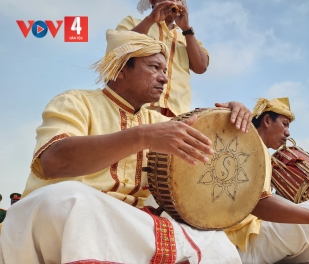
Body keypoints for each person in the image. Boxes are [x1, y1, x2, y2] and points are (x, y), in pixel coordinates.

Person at [0, 29, 250, 264]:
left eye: (165, 69)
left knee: (215, 240)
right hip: (56, 218)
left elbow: (208, 146)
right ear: (120, 69)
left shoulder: (159, 122)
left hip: (129, 222)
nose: (164, 77)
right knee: (71, 200)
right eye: (154, 67)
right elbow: (53, 161)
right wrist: (142, 137)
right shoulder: (75, 101)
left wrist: (228, 119)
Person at [225, 97, 309, 263]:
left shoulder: (247, 143)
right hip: (241, 244)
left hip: (239, 238)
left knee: (300, 210)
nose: (288, 132)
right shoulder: (253, 146)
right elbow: (258, 204)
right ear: (267, 120)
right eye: (285, 124)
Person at [116, 0, 209, 117]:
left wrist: (186, 28)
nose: (173, 1)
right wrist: (151, 19)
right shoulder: (132, 23)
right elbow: (120, 49)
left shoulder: (187, 37)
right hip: (137, 109)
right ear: (153, 1)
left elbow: (201, 67)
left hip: (177, 112)